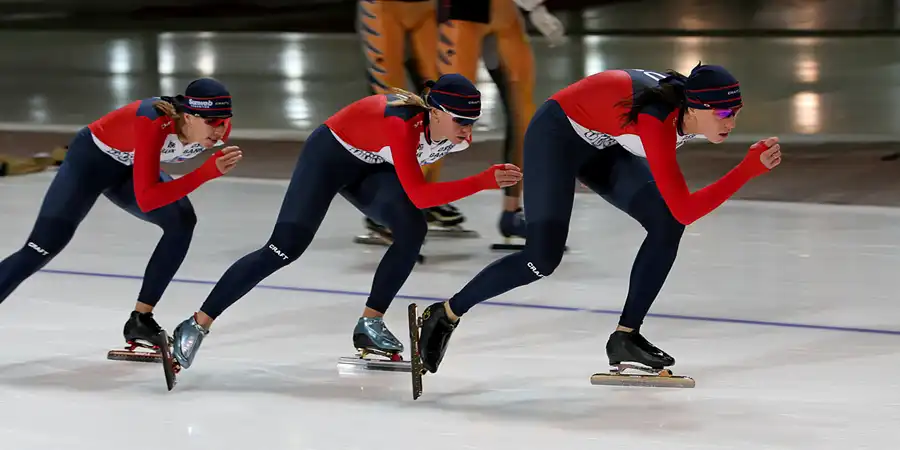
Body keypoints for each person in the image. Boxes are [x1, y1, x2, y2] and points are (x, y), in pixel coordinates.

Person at [415, 64, 782, 376]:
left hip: (603, 141)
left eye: (736, 112)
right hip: (556, 134)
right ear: (696, 108)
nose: (732, 122)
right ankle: (446, 313)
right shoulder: (658, 121)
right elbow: (685, 207)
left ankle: (626, 336)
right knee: (541, 260)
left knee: (667, 224)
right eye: (724, 113)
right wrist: (746, 170)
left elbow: (677, 212)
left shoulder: (678, 113)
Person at [170, 73, 522, 371]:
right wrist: (482, 181)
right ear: (436, 112)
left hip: (371, 164)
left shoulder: (451, 132)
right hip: (329, 157)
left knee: (413, 229)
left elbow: (411, 187)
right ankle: (197, 324)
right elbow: (419, 195)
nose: (467, 131)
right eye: (461, 122)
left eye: (472, 123)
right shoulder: (401, 125)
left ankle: (370, 323)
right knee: (283, 249)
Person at [0, 78, 241, 358]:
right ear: (188, 116)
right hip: (89, 165)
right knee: (41, 248)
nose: (220, 130)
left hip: (128, 166)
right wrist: (204, 173)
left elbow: (149, 183)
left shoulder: (216, 129)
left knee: (181, 222)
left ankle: (141, 319)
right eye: (212, 122)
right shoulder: (154, 121)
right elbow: (148, 198)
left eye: (225, 121)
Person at [421, 0, 566, 246]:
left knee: (525, 116)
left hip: (504, 13)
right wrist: (535, 7)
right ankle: (407, 202)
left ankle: (512, 211)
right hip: (462, 14)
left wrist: (535, 7)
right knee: (446, 114)